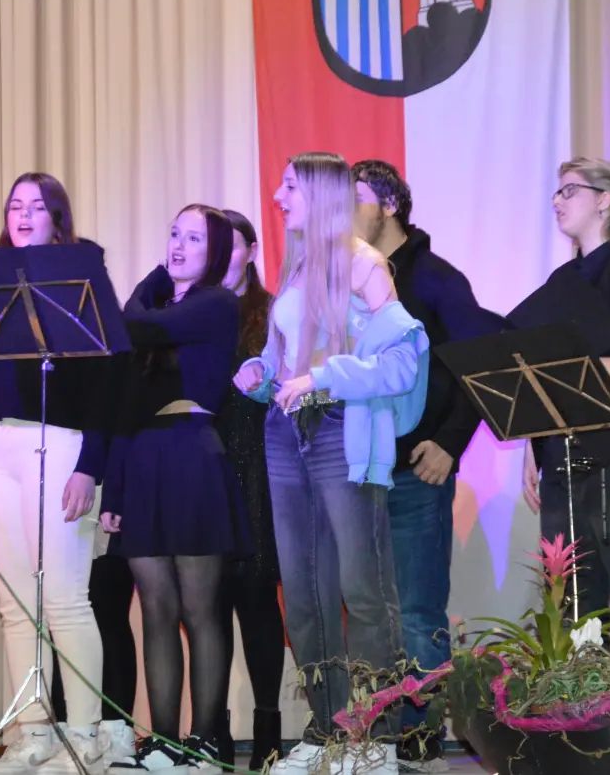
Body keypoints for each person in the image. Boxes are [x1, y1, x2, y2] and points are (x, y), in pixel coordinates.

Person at [234, 152, 430, 775]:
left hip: (342, 433)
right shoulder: (295, 266)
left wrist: (320, 377)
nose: (278, 194)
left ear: (319, 193)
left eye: (289, 186)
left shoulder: (366, 266)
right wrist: (263, 374)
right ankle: (325, 729)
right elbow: (280, 358)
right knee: (305, 595)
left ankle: (371, 737)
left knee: (363, 592)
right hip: (285, 436)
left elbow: (403, 362)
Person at [0, 173, 116, 774]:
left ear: (57, 219)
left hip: (61, 446)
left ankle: (85, 733)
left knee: (65, 599)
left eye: (36, 206)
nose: (22, 214)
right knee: (15, 605)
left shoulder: (83, 282)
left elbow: (104, 383)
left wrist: (91, 466)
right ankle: (33, 733)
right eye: (14, 204)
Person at [351, 161, 508, 771]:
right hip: (356, 473)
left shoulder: (439, 279)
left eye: (354, 198)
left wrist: (450, 441)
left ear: (388, 202)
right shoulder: (349, 280)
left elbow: (483, 364)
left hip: (417, 472)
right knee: (366, 611)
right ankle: (369, 731)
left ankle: (418, 737)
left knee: (417, 610)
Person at [99, 204, 247, 771]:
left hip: (190, 453)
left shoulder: (215, 302)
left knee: (199, 608)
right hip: (142, 458)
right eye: (173, 235)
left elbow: (134, 322)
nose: (179, 245)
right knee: (155, 608)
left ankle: (206, 738)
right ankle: (162, 740)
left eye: (193, 237)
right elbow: (124, 403)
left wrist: (150, 280)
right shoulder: (157, 307)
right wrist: (113, 493)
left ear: (214, 251)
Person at [509, 158, 610, 622]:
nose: (556, 202)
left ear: (604, 200)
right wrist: (531, 438)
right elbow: (532, 363)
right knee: (568, 604)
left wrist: (564, 372)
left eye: (569, 191)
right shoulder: (562, 282)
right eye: (556, 194)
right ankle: (578, 697)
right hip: (561, 456)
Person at [214, 209, 286, 770]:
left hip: (256, 467)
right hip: (201, 472)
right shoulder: (188, 311)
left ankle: (268, 731)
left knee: (258, 601)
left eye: (228, 243)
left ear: (251, 250)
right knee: (203, 607)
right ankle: (211, 728)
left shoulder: (270, 311)